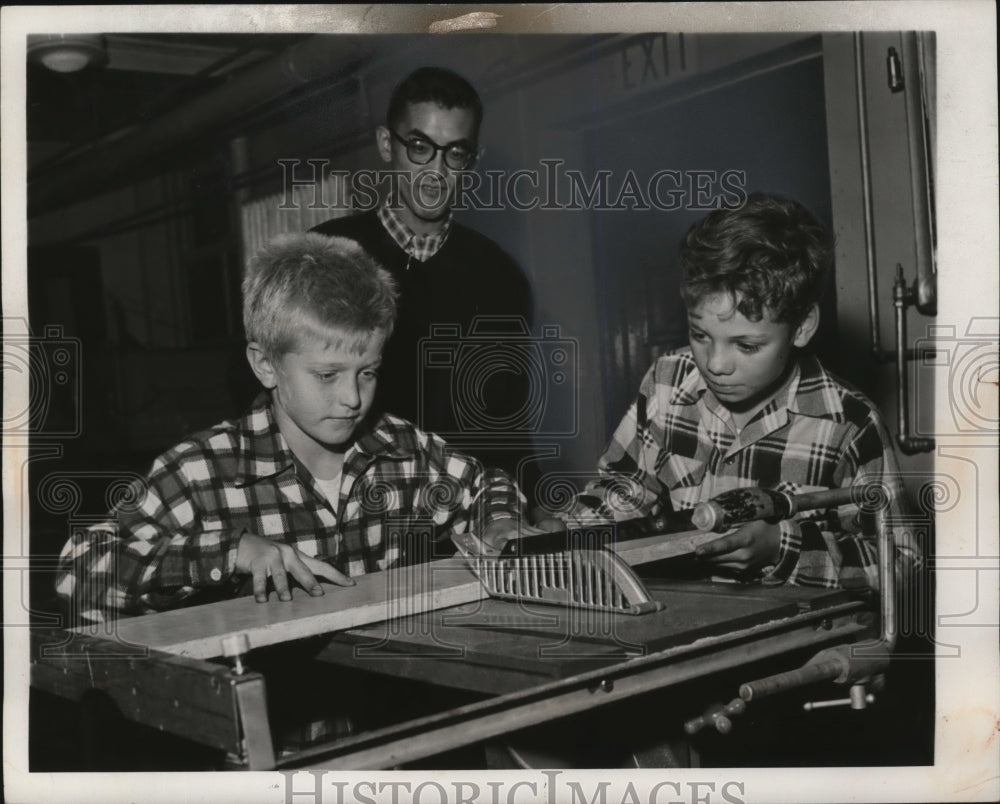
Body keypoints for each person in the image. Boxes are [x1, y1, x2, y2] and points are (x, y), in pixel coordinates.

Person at [54, 233, 533, 622]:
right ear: (265, 365)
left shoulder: (402, 451)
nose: (352, 398)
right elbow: (79, 573)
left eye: (367, 371)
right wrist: (230, 552)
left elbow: (486, 483)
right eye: (327, 375)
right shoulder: (204, 473)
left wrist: (500, 521)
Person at [548, 193, 922, 591]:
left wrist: (785, 548)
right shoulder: (667, 380)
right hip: (679, 617)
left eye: (746, 345)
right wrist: (564, 531)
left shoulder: (848, 424)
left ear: (802, 327)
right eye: (700, 335)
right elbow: (626, 488)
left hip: (795, 642)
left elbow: (903, 566)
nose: (716, 364)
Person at [311, 66, 537, 491]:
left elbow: (508, 425)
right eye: (420, 147)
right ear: (385, 144)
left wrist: (533, 502)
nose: (435, 172)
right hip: (353, 512)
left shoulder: (501, 278)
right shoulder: (325, 256)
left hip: (463, 514)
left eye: (454, 153)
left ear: (473, 160)